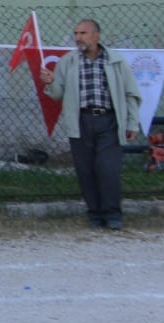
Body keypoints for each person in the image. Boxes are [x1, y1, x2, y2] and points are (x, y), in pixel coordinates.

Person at [43, 20, 143, 232]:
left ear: (97, 36)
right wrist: (50, 82)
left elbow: (131, 94)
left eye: (84, 33)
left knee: (108, 169)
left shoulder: (116, 61)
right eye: (76, 33)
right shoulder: (68, 62)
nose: (79, 37)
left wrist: (132, 123)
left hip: (109, 121)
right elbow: (57, 94)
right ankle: (95, 214)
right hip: (81, 121)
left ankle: (112, 214)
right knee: (85, 170)